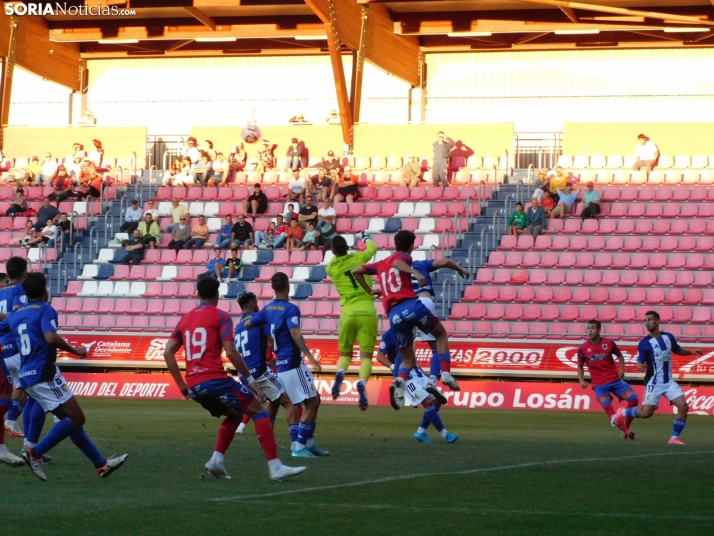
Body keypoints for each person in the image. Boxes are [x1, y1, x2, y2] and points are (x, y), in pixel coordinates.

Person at [162, 277, 305, 481]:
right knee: (259, 411)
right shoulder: (221, 316)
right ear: (217, 295)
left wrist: (182, 385)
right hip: (215, 379)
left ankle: (216, 461)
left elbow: (168, 352)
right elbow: (230, 351)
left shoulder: (185, 319)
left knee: (237, 413)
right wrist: (250, 379)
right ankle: (275, 467)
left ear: (197, 294)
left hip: (194, 385)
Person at [2, 272, 128, 481]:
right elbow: (50, 336)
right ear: (45, 291)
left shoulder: (17, 314)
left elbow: (4, 324)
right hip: (44, 372)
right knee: (77, 418)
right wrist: (74, 350)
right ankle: (34, 453)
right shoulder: (45, 310)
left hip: (27, 375)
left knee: (69, 421)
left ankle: (100, 464)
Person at [352, 230, 453, 410]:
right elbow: (398, 263)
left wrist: (369, 290)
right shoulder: (405, 258)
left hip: (394, 315)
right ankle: (445, 374)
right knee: (441, 335)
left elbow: (356, 270)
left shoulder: (381, 263)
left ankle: (399, 380)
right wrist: (417, 273)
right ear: (411, 246)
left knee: (408, 360)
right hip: (411, 305)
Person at [242, 272, 327, 458]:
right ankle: (299, 446)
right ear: (288, 285)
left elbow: (249, 324)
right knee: (312, 402)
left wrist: (248, 324)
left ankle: (303, 443)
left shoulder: (266, 309)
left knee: (297, 400)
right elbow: (295, 333)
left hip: (281, 365)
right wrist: (310, 356)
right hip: (293, 362)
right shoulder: (291, 309)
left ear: (272, 287)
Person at [614, 311, 703, 445]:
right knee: (646, 413)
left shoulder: (668, 337)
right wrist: (640, 366)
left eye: (649, 320)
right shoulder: (645, 343)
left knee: (683, 406)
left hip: (668, 381)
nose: (646, 323)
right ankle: (623, 412)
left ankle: (674, 438)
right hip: (654, 382)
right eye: (645, 320)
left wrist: (691, 352)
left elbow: (677, 350)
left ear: (657, 321)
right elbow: (639, 361)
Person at [234, 291, 300, 448]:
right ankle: (297, 443)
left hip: (246, 374)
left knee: (275, 399)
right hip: (259, 371)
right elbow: (273, 340)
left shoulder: (238, 326)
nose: (258, 305)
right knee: (290, 401)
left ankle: (267, 439)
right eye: (256, 302)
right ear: (251, 304)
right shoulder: (259, 320)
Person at [375, 328, 457, 444]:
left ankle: (421, 432)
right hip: (404, 373)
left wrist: (423, 373)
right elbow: (380, 356)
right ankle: (445, 434)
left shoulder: (409, 332)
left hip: (416, 370)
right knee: (428, 401)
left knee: (437, 402)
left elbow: (410, 357)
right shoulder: (389, 334)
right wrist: (394, 368)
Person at [327, 233, 378, 410]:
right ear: (348, 247)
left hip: (347, 312)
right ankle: (362, 382)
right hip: (367, 310)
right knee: (366, 357)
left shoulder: (331, 268)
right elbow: (373, 248)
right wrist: (365, 238)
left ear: (333, 251)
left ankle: (340, 373)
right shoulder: (359, 257)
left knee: (345, 355)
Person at [410, 257, 470, 390]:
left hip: (404, 307)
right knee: (438, 344)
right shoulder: (420, 264)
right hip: (424, 302)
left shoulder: (395, 269)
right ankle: (437, 378)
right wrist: (461, 270)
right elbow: (445, 262)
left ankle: (408, 384)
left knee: (405, 351)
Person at [577, 320, 638, 440]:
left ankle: (626, 427)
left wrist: (622, 369)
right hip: (599, 385)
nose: (590, 330)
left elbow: (619, 355)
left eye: (593, 328)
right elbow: (579, 365)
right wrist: (581, 380)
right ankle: (627, 432)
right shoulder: (583, 348)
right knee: (607, 407)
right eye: (588, 328)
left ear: (599, 330)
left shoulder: (609, 343)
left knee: (634, 399)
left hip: (615, 380)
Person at [0, 257, 30, 446]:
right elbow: (19, 313)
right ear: (25, 273)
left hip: (2, 348)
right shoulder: (20, 289)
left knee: (21, 387)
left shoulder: (2, 291)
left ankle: (12, 421)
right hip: (14, 346)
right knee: (37, 382)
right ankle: (11, 420)